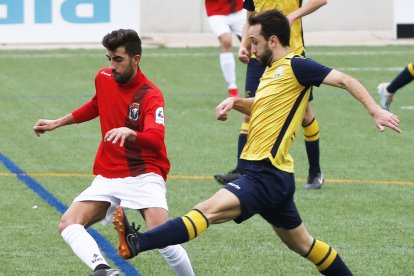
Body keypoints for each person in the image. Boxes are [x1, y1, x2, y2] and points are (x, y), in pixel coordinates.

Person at [111, 10, 400, 275]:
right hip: (273, 174)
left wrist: (375, 109)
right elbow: (260, 107)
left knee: (207, 210)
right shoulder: (270, 73)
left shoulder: (297, 66)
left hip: (267, 173)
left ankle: (137, 243)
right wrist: (235, 102)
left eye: (254, 41)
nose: (250, 48)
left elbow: (346, 80)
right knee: (305, 246)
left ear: (272, 40)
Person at [32, 29, 195, 276]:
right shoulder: (104, 77)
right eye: (109, 58)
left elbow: (155, 138)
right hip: (109, 174)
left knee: (164, 239)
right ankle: (103, 270)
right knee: (68, 223)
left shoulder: (151, 95)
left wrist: (131, 133)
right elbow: (97, 104)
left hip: (143, 173)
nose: (112, 65)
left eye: (118, 59)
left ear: (136, 58)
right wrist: (58, 122)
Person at [214, 0, 328, 190]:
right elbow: (250, 18)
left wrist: (293, 15)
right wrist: (245, 44)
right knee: (249, 110)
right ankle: (241, 169)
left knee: (305, 114)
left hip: (290, 55)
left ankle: (315, 172)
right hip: (258, 55)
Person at [204, 0, 246, 97]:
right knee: (226, 41)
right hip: (216, 12)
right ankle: (232, 87)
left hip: (240, 10)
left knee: (251, 47)